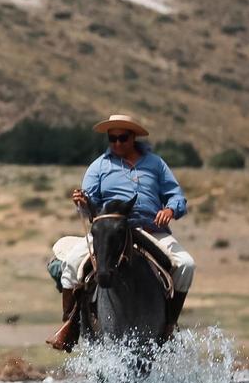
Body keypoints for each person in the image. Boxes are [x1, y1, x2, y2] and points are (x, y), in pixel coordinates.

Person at [49, 114, 194, 349]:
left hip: (150, 230)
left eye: (122, 138)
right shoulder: (99, 166)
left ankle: (168, 327)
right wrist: (82, 202)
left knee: (187, 265)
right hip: (109, 231)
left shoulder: (156, 164)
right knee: (73, 264)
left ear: (133, 137)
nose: (117, 143)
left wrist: (170, 209)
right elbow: (90, 205)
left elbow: (176, 196)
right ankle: (70, 326)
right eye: (112, 139)